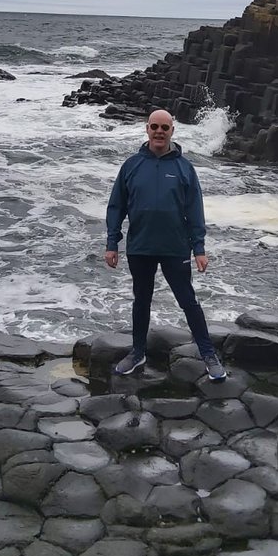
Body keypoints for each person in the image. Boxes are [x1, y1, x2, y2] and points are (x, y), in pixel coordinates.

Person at [104, 108, 226, 381]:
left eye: (165, 127)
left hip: (175, 248)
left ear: (173, 131)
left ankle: (208, 354)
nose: (159, 132)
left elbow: (195, 211)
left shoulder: (184, 169)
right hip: (140, 248)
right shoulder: (131, 166)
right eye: (154, 127)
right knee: (141, 301)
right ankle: (137, 352)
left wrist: (199, 249)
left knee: (188, 301)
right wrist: (112, 243)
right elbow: (116, 207)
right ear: (147, 129)